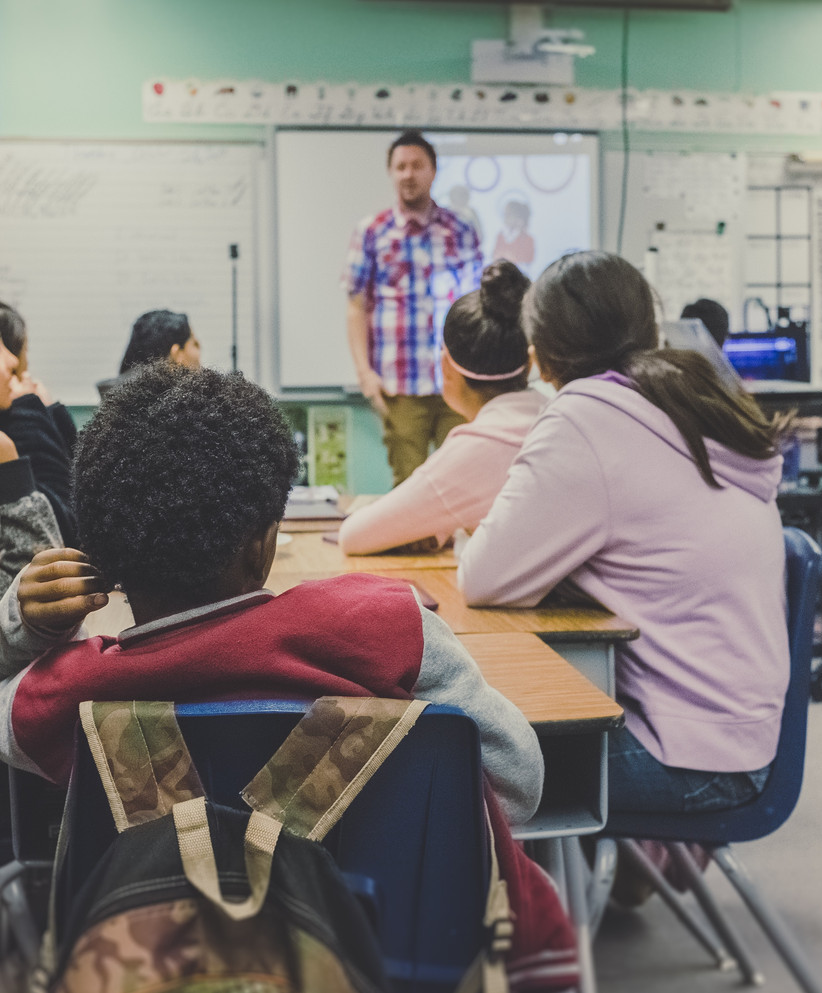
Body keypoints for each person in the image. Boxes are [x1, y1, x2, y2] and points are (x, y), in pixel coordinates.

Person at [0, 363, 578, 990]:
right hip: (399, 961)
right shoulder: (388, 631)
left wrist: (24, 626)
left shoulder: (65, 695)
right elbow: (519, 783)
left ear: (101, 559)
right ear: (265, 542)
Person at [459, 250, 789, 816]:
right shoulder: (687, 399)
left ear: (539, 356)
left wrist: (470, 538)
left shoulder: (585, 418)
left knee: (447, 764)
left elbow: (484, 578)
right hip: (742, 736)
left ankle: (537, 879)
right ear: (649, 328)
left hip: (686, 756)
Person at [339, 260, 545, 555]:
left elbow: (354, 536)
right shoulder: (556, 415)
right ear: (529, 363)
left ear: (446, 365)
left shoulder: (474, 447)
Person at [343, 130, 483, 486]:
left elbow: (477, 304)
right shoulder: (372, 231)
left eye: (417, 165)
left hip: (457, 380)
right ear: (391, 173)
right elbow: (356, 306)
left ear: (433, 171)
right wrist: (365, 375)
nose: (409, 174)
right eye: (401, 166)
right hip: (399, 385)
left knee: (462, 483)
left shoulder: (461, 229)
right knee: (408, 487)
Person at [0, 305, 75, 545]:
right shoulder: (12, 430)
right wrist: (29, 409)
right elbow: (66, 529)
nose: (14, 360)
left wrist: (51, 410)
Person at [96, 308, 201, 397]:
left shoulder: (112, 398)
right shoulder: (173, 408)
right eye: (195, 344)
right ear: (177, 354)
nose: (200, 350)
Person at [493, 200, 536, 269]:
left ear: (518, 217)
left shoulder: (528, 239)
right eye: (505, 214)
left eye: (508, 215)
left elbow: (528, 260)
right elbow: (494, 255)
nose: (505, 217)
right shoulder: (501, 236)